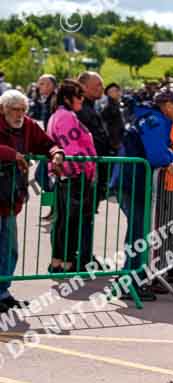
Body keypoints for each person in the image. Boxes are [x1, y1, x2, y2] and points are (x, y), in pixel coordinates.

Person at [112, 87, 173, 301]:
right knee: (138, 232)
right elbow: (156, 153)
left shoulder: (153, 118)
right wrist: (169, 160)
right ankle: (130, 282)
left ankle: (136, 277)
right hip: (132, 180)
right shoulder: (155, 120)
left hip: (133, 180)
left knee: (139, 232)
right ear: (168, 105)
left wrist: (169, 157)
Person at [0, 89, 65, 311]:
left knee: (9, 249)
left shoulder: (28, 125)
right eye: (14, 109)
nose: (19, 114)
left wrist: (56, 153)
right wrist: (12, 154)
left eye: (22, 109)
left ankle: (3, 292)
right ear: (3, 109)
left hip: (10, 197)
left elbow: (47, 143)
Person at [47, 79, 98, 273]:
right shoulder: (66, 116)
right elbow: (72, 148)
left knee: (63, 221)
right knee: (70, 222)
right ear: (68, 98)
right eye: (79, 95)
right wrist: (81, 170)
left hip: (67, 175)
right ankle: (65, 263)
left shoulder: (58, 115)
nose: (82, 99)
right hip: (74, 175)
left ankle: (58, 261)